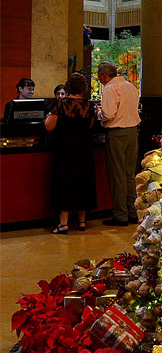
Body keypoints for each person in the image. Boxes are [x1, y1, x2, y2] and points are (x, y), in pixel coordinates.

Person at [45, 72, 97, 234]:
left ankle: (63, 223)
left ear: (68, 87)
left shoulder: (61, 105)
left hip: (65, 150)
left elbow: (49, 126)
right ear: (83, 88)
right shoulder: (89, 106)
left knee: (64, 183)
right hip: (84, 150)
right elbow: (90, 126)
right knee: (83, 182)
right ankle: (82, 220)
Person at [97, 61, 140, 226]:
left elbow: (108, 113)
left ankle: (120, 215)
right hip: (132, 132)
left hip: (116, 133)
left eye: (99, 77)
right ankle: (132, 212)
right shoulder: (130, 86)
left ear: (104, 75)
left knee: (117, 174)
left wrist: (99, 113)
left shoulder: (110, 88)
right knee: (130, 174)